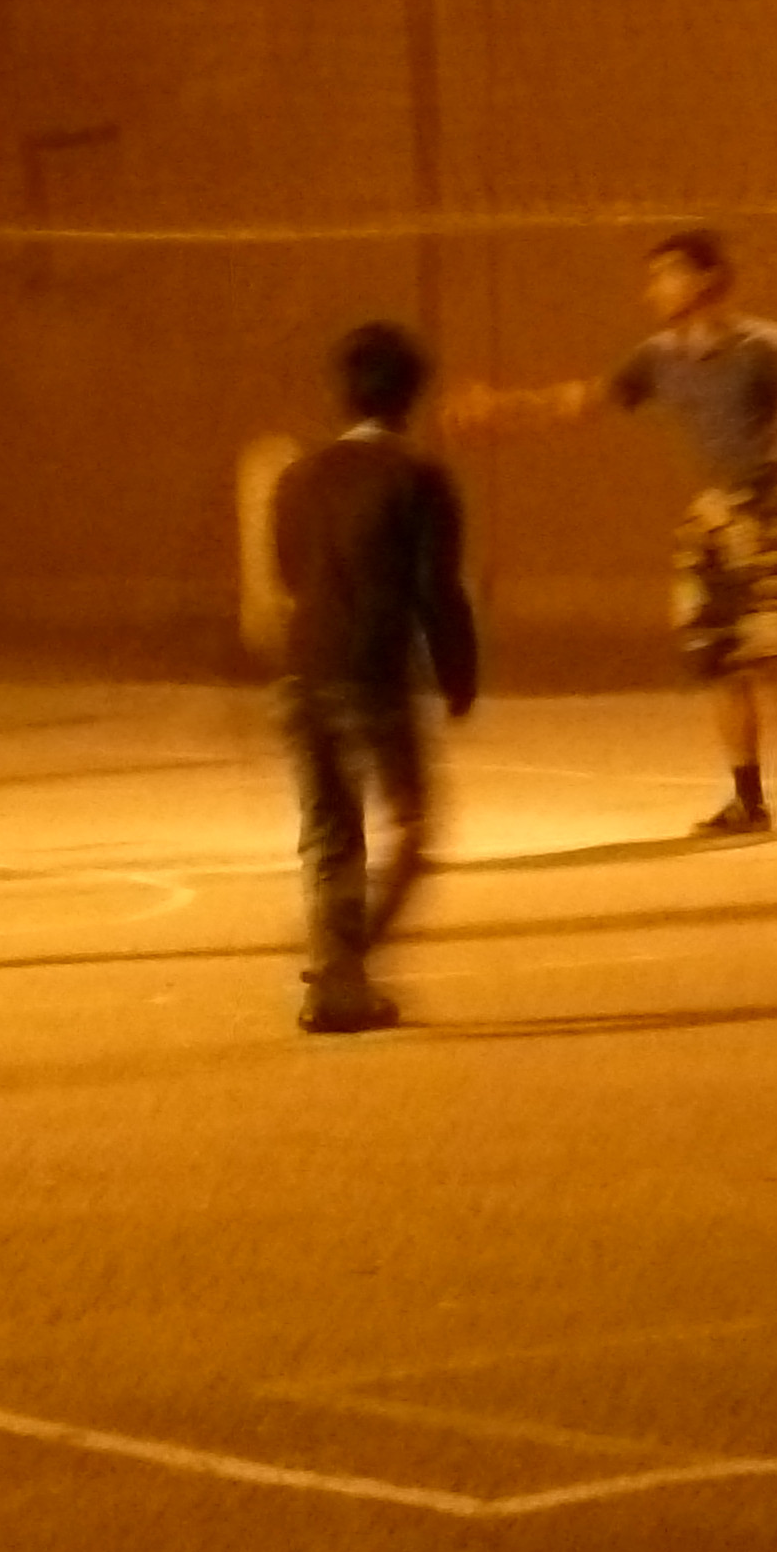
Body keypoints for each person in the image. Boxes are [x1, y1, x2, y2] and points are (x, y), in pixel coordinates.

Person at [456, 229, 777, 838]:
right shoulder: (657, 357)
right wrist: (503, 409)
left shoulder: (766, 347)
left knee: (775, 652)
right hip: (712, 516)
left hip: (772, 509)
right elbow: (584, 401)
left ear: (706, 279)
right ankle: (747, 799)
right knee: (715, 656)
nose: (653, 291)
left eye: (666, 275)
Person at [270, 323, 480, 1034]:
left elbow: (290, 572)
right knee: (414, 828)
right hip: (373, 673)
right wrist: (458, 672)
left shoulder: (298, 476)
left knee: (330, 831)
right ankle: (342, 966)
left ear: (342, 394)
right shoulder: (419, 479)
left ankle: (338, 979)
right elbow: (437, 589)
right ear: (412, 398)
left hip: (303, 669)